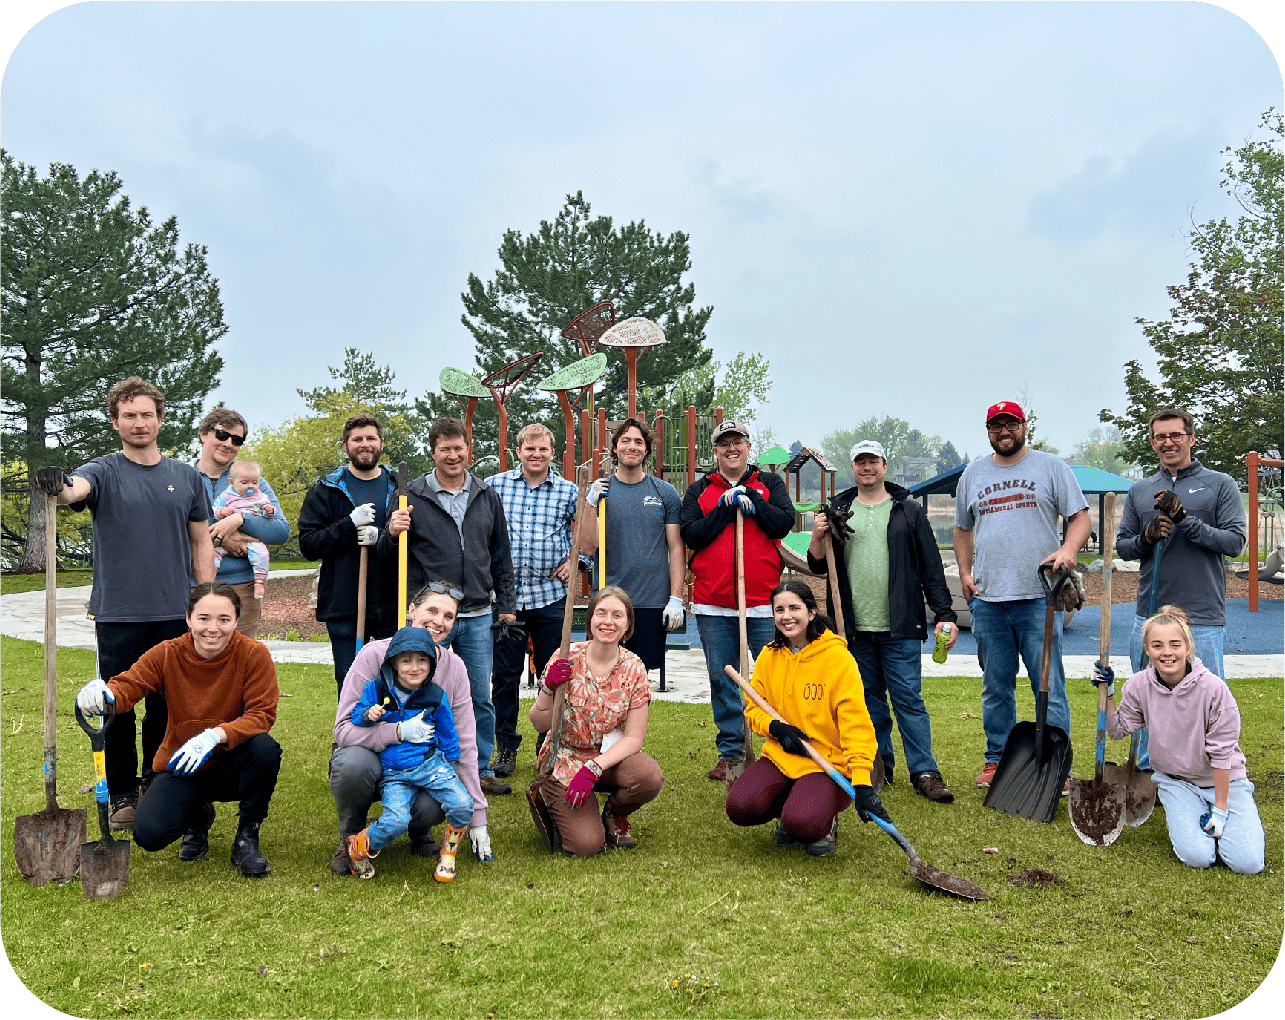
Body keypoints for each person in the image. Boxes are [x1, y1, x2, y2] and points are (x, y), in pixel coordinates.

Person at [35, 376, 215, 830]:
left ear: (160, 419)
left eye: (146, 414)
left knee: (167, 704)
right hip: (118, 613)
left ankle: (156, 783)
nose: (139, 423)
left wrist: (207, 596)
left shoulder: (187, 477)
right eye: (129, 415)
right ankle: (121, 795)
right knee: (115, 703)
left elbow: (201, 542)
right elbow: (74, 490)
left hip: (175, 611)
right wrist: (58, 484)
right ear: (116, 422)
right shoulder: (104, 470)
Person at [73, 583, 281, 877]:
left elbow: (261, 714)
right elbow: (130, 685)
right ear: (188, 619)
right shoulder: (169, 653)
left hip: (234, 762)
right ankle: (198, 815)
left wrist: (214, 735)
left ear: (236, 620)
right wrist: (104, 694)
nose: (213, 628)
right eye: (203, 618)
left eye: (224, 619)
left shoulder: (253, 654)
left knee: (264, 749)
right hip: (184, 763)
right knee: (149, 835)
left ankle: (248, 836)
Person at [807, 440, 957, 802]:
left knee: (908, 700)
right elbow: (816, 565)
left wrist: (945, 614)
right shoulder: (839, 510)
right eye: (860, 461)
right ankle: (878, 765)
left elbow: (931, 566)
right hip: (853, 627)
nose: (867, 467)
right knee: (868, 702)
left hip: (900, 625)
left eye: (873, 461)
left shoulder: (907, 510)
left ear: (884, 467)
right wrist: (817, 534)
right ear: (853, 468)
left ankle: (925, 771)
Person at [952, 400, 1090, 789]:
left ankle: (1055, 763)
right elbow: (962, 528)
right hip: (989, 599)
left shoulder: (1051, 467)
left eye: (1010, 423)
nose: (1003, 431)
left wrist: (1068, 550)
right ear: (988, 431)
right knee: (997, 686)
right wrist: (964, 571)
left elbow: (1080, 517)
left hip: (1039, 599)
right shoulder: (973, 474)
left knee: (1048, 684)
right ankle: (997, 760)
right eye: (996, 426)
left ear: (1024, 425)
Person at [383, 417, 517, 796]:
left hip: (476, 611)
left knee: (478, 695)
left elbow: (501, 555)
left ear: (468, 450)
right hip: (429, 614)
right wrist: (392, 534)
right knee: (420, 689)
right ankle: (421, 759)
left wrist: (506, 603)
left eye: (459, 448)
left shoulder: (486, 495)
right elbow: (387, 552)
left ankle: (481, 766)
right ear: (433, 451)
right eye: (445, 448)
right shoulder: (411, 495)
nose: (453, 455)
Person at [330, 580, 494, 875]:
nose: (438, 622)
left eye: (448, 616)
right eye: (432, 610)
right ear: (412, 610)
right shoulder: (373, 655)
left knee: (436, 800)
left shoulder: (454, 667)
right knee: (352, 765)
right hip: (371, 757)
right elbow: (343, 730)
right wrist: (397, 732)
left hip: (422, 763)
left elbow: (465, 741)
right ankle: (351, 838)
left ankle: (419, 831)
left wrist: (477, 817)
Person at [1116, 407, 1246, 768]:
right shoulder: (1141, 491)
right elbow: (1123, 547)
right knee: (1147, 698)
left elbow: (1235, 543)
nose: (1168, 442)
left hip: (1200, 615)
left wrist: (1186, 520)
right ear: (1152, 442)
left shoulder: (1220, 485)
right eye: (1160, 436)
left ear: (1191, 438)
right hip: (1150, 614)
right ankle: (1149, 771)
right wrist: (1145, 537)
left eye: (1175, 435)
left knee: (1206, 702)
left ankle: (1210, 771)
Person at [1096, 606, 1264, 874]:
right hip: (1177, 783)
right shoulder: (1139, 686)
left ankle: (1224, 822)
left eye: (1175, 644)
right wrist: (1110, 693)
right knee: (1198, 857)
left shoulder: (1214, 689)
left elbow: (1222, 754)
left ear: (1188, 647)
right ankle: (1200, 823)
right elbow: (1117, 731)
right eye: (1157, 645)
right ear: (1147, 649)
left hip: (1225, 782)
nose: (1167, 652)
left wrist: (1220, 809)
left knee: (1248, 864)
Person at [726, 580, 885, 856]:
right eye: (779, 610)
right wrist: (775, 727)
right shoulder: (769, 656)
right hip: (782, 757)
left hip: (826, 763)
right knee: (740, 806)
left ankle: (823, 817)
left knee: (804, 823)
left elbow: (856, 724)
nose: (786, 616)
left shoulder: (838, 659)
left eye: (794, 608)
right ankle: (793, 805)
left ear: (811, 612)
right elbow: (753, 711)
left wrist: (861, 781)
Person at [679, 420, 795, 781]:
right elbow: (691, 534)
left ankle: (782, 749)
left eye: (738, 442)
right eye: (724, 444)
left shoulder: (770, 484)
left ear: (748, 447)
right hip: (714, 604)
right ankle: (732, 753)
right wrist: (725, 509)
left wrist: (756, 505)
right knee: (723, 679)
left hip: (763, 603)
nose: (732, 448)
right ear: (715, 452)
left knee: (777, 679)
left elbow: (782, 524)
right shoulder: (699, 489)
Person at [528, 586, 664, 856]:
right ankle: (553, 795)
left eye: (617, 615)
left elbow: (634, 739)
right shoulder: (565, 656)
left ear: (627, 625)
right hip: (565, 758)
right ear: (589, 620)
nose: (608, 621)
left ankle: (614, 814)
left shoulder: (635, 668)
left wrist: (594, 768)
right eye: (601, 613)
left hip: (607, 759)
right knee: (586, 845)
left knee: (648, 776)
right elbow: (539, 723)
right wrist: (547, 688)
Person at [486, 423, 587, 779]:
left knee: (554, 674)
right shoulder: (495, 486)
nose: (536, 455)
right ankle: (505, 747)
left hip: (551, 599)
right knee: (505, 675)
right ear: (519, 451)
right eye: (529, 449)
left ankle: (549, 743)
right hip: (507, 600)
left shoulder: (568, 491)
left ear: (552, 453)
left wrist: (577, 562)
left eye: (543, 449)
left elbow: (587, 538)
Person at [345, 627, 474, 882]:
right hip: (395, 772)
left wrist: (453, 765)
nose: (414, 667)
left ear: (432, 663)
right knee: (395, 821)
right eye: (406, 660)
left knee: (462, 804)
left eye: (422, 660)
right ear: (393, 662)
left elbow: (449, 735)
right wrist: (368, 715)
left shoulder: (437, 696)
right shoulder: (376, 688)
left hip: (431, 765)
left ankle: (448, 854)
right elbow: (356, 714)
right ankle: (358, 846)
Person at [298, 413, 399, 699]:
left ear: (381, 443)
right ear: (345, 445)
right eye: (357, 439)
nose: (364, 444)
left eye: (370, 438)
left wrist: (383, 535)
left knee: (394, 678)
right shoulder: (326, 489)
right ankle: (351, 738)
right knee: (351, 679)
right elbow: (308, 545)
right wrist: (348, 525)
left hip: (392, 600)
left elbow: (414, 538)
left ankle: (390, 739)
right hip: (344, 601)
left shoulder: (400, 487)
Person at [580, 416, 687, 676]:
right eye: (625, 441)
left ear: (647, 450)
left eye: (639, 442)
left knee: (640, 677)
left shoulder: (665, 492)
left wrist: (675, 598)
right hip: (608, 602)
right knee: (602, 674)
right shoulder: (600, 492)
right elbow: (587, 548)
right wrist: (590, 503)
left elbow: (677, 549)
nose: (632, 446)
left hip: (651, 601)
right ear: (615, 448)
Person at [193, 408, 290, 637]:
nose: (228, 444)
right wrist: (223, 538)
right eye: (221, 435)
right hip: (191, 587)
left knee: (239, 666)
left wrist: (240, 519)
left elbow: (279, 531)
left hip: (242, 589)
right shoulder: (182, 478)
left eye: (236, 440)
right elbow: (170, 533)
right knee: (191, 666)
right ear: (204, 434)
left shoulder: (255, 482)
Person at [211, 460, 276, 600]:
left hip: (251, 538)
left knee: (262, 554)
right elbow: (214, 509)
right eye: (244, 482)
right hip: (224, 536)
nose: (250, 486)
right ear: (232, 482)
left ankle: (260, 581)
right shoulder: (226, 496)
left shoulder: (261, 497)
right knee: (214, 551)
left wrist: (269, 511)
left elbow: (270, 516)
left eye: (254, 482)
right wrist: (222, 511)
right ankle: (212, 572)